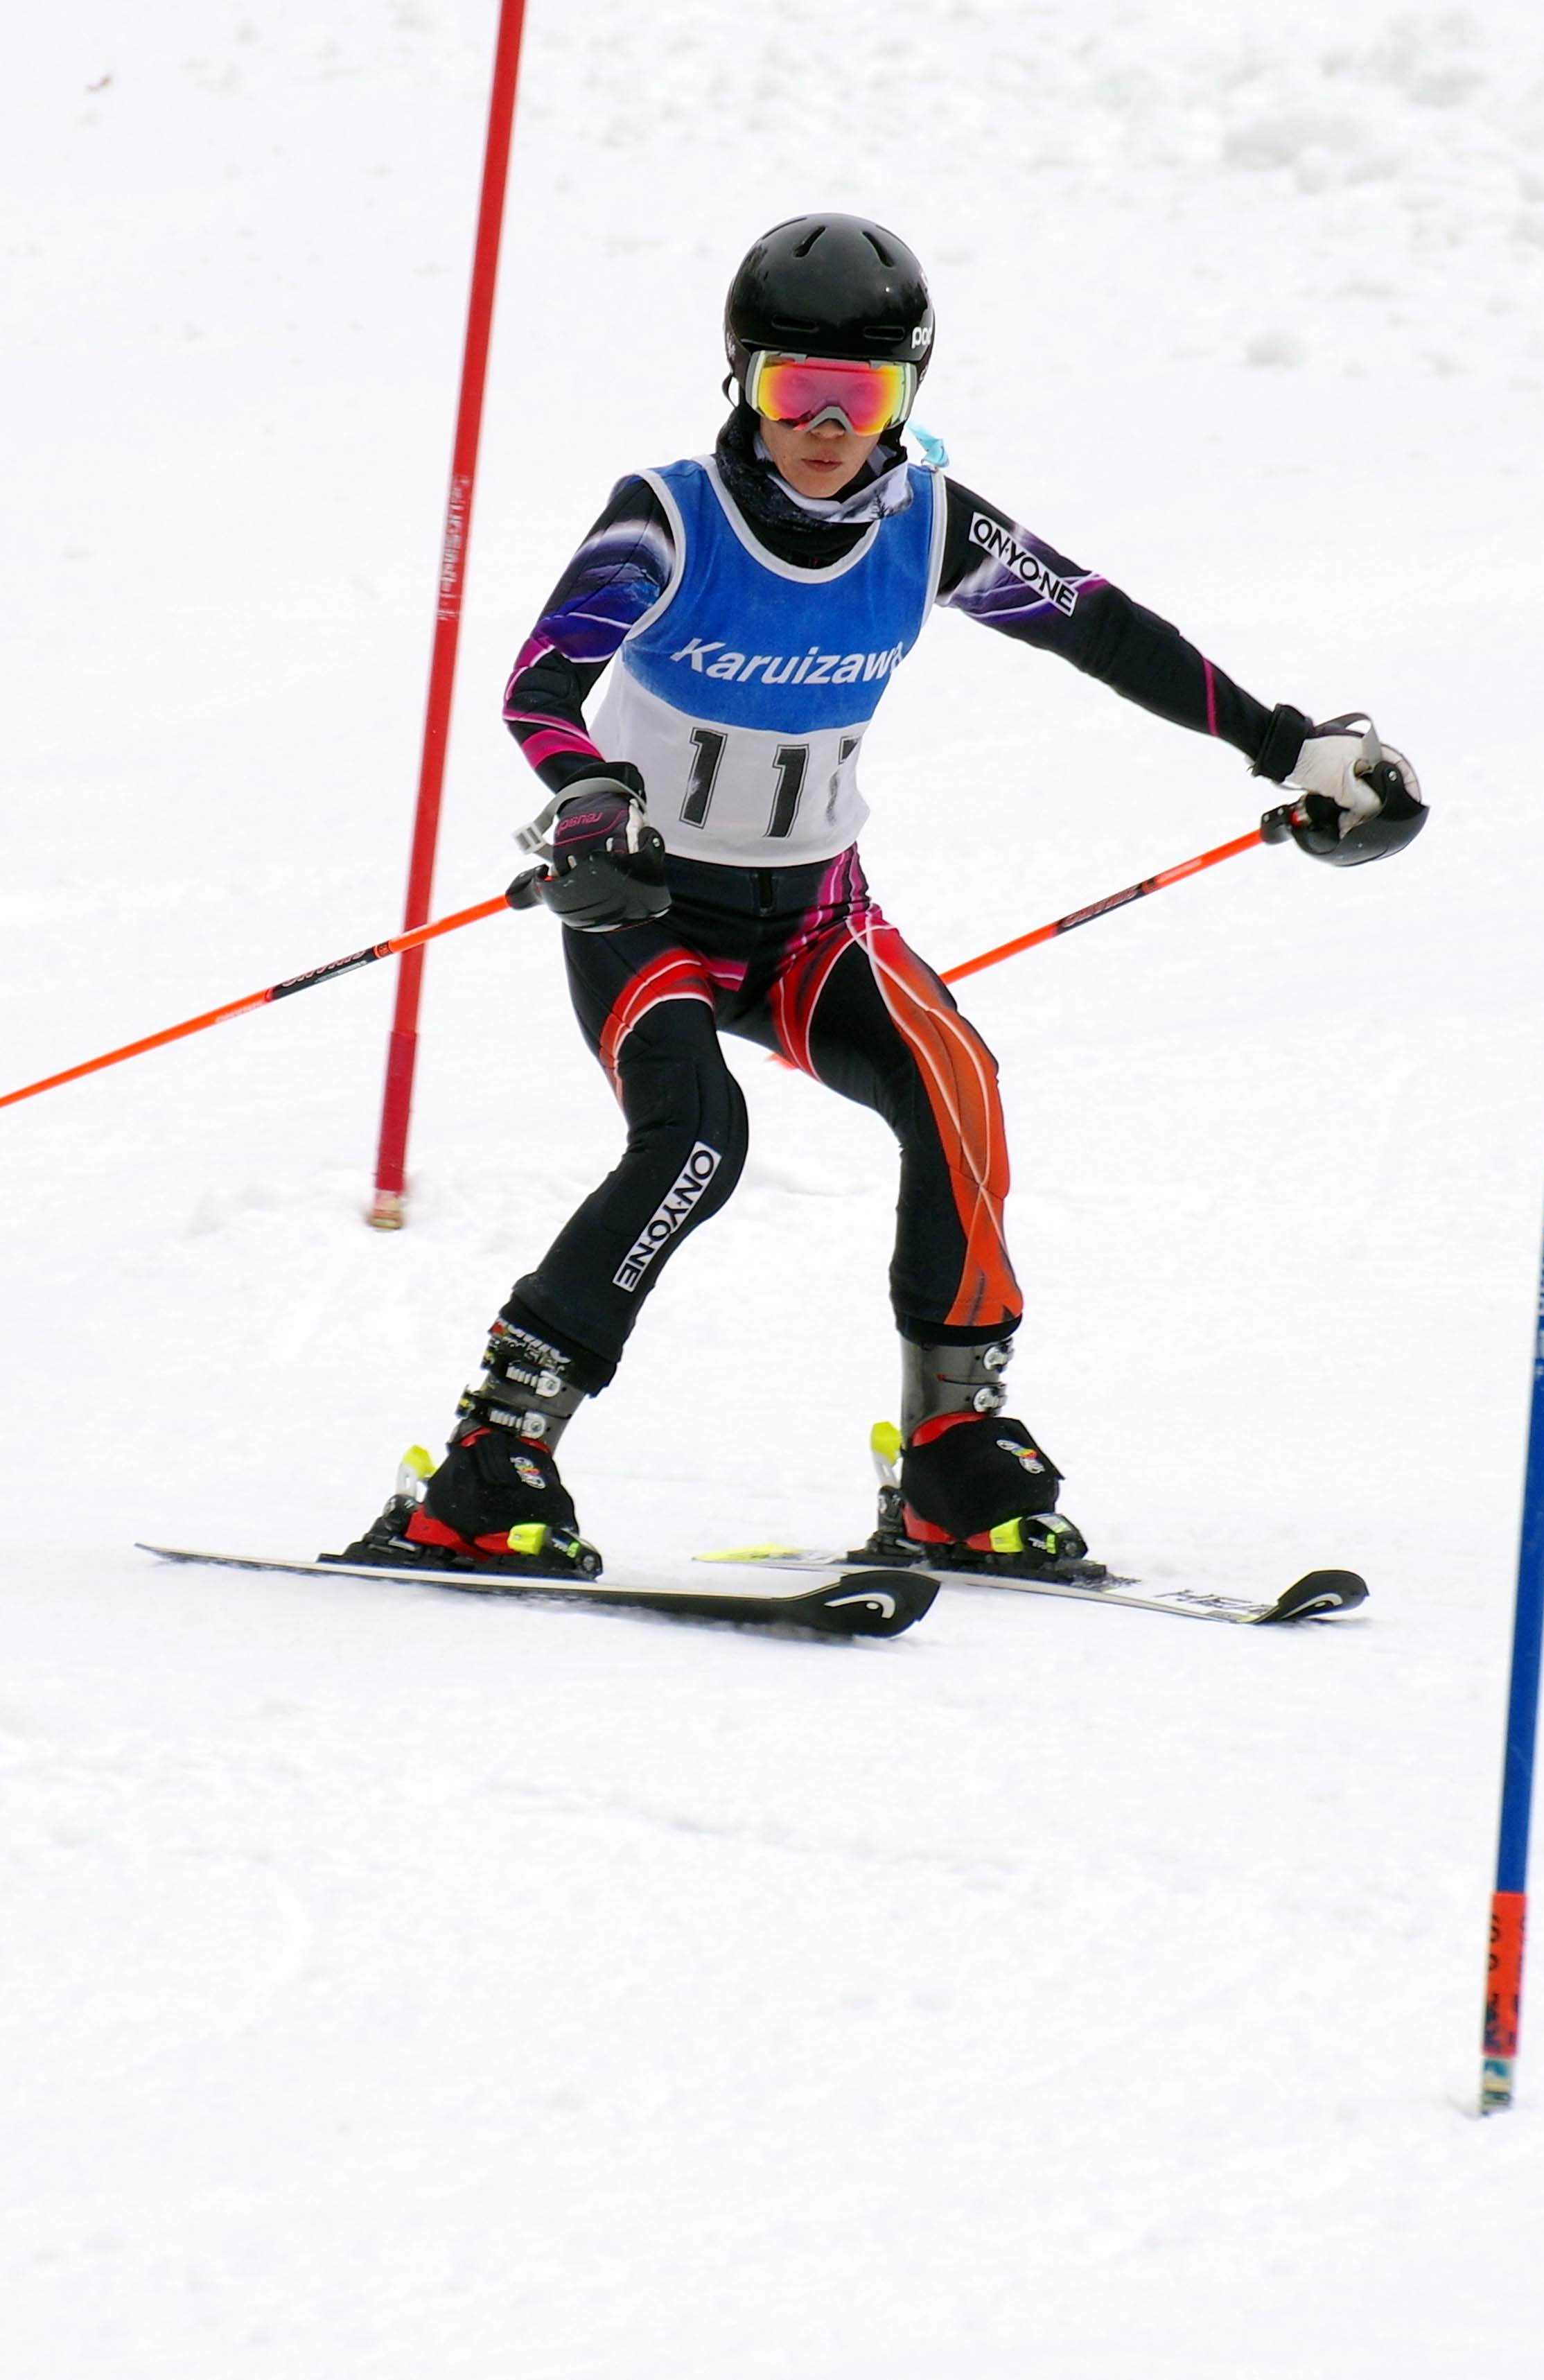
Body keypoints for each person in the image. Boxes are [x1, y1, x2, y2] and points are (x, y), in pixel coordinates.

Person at [345, 212, 1425, 1583]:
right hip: (649, 909)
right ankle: (487, 1465)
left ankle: (953, 1459)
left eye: (860, 397)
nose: (824, 426)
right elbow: (541, 683)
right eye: (794, 388)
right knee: (695, 1142)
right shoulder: (668, 517)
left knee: (954, 1081)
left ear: (906, 395)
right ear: (742, 379)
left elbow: (1098, 625)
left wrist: (1284, 745)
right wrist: (591, 795)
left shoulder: (931, 529)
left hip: (815, 920)